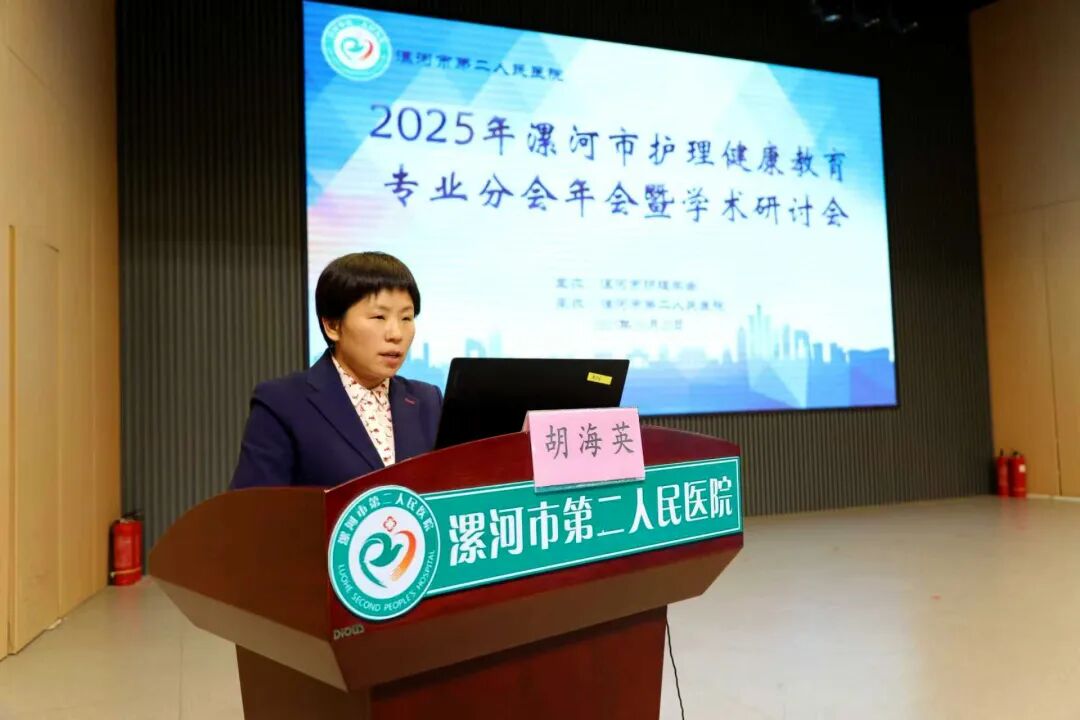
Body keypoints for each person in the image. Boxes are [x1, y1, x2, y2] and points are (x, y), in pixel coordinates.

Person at [229, 252, 441, 489]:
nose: (396, 334)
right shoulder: (282, 403)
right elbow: (253, 505)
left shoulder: (428, 400)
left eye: (406, 318)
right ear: (332, 325)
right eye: (379, 317)